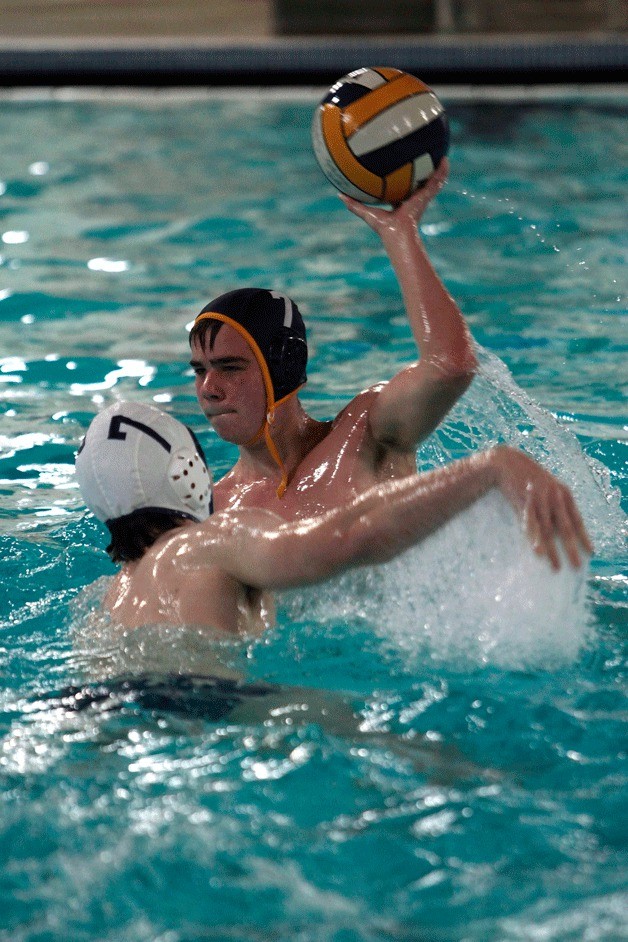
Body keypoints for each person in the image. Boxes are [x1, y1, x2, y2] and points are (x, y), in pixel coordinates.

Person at [75, 401, 592, 638]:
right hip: (215, 714)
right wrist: (488, 467)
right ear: (185, 470)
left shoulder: (107, 601)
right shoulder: (213, 541)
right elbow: (347, 537)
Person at [189, 159, 479, 518]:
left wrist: (400, 234)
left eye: (229, 367)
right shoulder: (213, 511)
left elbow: (451, 367)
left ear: (284, 365)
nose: (208, 389)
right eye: (199, 370)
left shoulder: (366, 433)